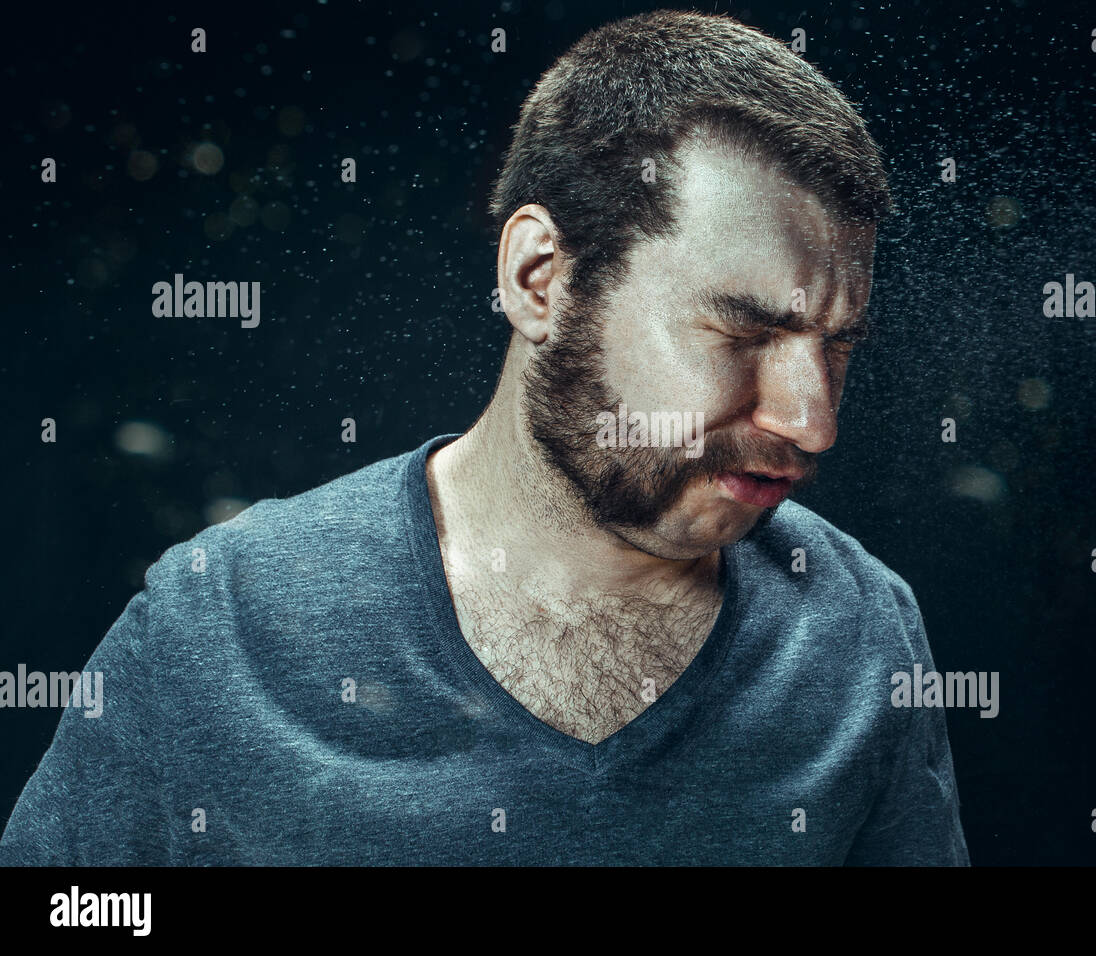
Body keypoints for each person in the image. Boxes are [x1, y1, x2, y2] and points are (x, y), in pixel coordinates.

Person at [1, 9, 969, 865]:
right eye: (745, 333)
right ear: (541, 277)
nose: (810, 420)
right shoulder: (219, 621)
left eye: (835, 345)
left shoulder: (859, 632)